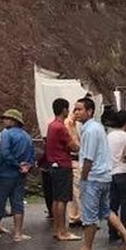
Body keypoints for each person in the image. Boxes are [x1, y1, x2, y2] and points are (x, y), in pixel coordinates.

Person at [66, 98, 126, 250]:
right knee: (106, 210)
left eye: (80, 110)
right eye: (75, 109)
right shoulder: (97, 127)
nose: (76, 112)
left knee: (89, 216)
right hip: (105, 176)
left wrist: (83, 180)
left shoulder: (90, 130)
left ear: (90, 111)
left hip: (93, 178)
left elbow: (88, 158)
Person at [0, 109, 35, 242]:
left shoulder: (6, 134)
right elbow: (32, 155)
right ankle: (18, 233)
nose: (4, 120)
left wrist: (16, 164)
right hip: (21, 175)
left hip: (5, 173)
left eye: (7, 118)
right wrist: (27, 166)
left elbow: (4, 152)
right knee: (18, 203)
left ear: (14, 121)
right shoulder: (27, 136)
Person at [45, 98, 81, 242]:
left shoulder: (51, 125)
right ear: (64, 110)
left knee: (56, 199)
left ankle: (56, 229)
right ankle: (62, 231)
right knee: (62, 200)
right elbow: (74, 146)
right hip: (63, 164)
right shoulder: (61, 127)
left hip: (54, 165)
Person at [108, 110, 126, 241]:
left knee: (113, 204)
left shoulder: (109, 135)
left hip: (111, 173)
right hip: (124, 172)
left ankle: (112, 233)